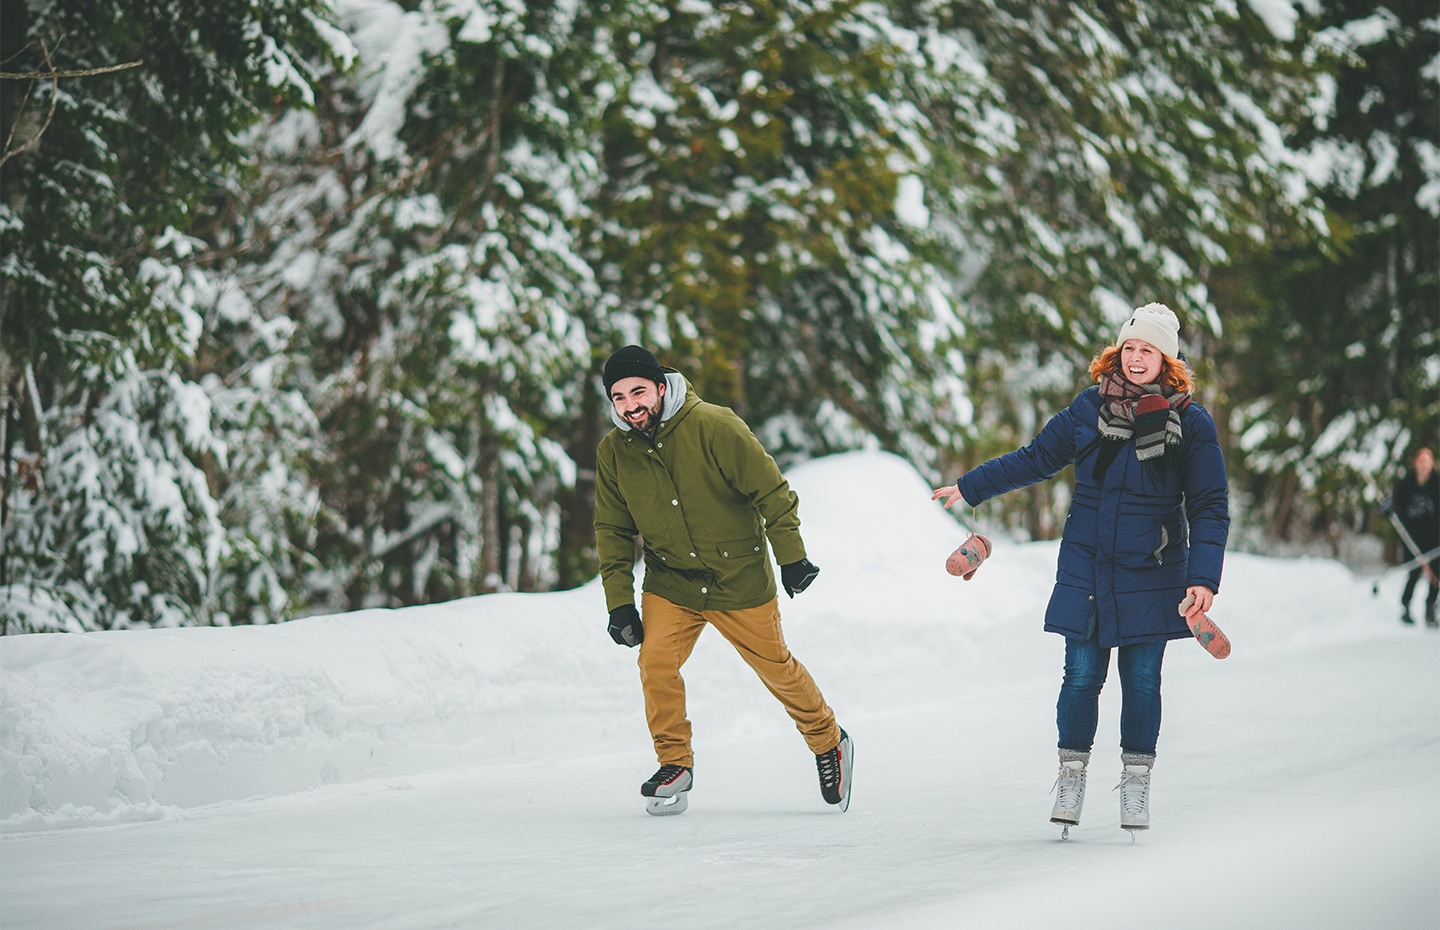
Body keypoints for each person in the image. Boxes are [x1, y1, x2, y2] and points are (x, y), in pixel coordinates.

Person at [931, 303, 1229, 836]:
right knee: (1081, 676)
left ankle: (1136, 782)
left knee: (1141, 681)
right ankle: (1071, 777)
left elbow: (1209, 505)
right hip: (1087, 566)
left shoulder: (1192, 423)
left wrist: (1203, 577)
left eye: (1149, 350)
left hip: (1154, 568)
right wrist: (971, 486)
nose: (1137, 358)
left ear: (1167, 360)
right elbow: (1034, 458)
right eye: (1130, 348)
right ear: (1118, 352)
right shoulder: (1090, 408)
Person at [594, 345, 853, 815]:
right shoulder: (614, 452)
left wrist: (792, 557)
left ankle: (828, 740)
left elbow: (772, 491)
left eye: (638, 391)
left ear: (659, 385)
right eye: (618, 397)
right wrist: (619, 603)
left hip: (738, 576)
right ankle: (675, 764)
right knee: (655, 663)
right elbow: (612, 530)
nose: (630, 405)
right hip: (671, 580)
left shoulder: (713, 425)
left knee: (776, 668)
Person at [1388, 447, 1438, 627]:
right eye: (1421, 460)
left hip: (1434, 538)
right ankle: (1406, 606)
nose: (1424, 465)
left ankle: (1430, 609)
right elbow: (1397, 508)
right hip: (1412, 538)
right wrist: (1389, 510)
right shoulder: (1406, 484)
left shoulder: (1437, 483)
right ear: (1415, 463)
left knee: (1436, 575)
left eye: (1428, 460)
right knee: (1414, 573)